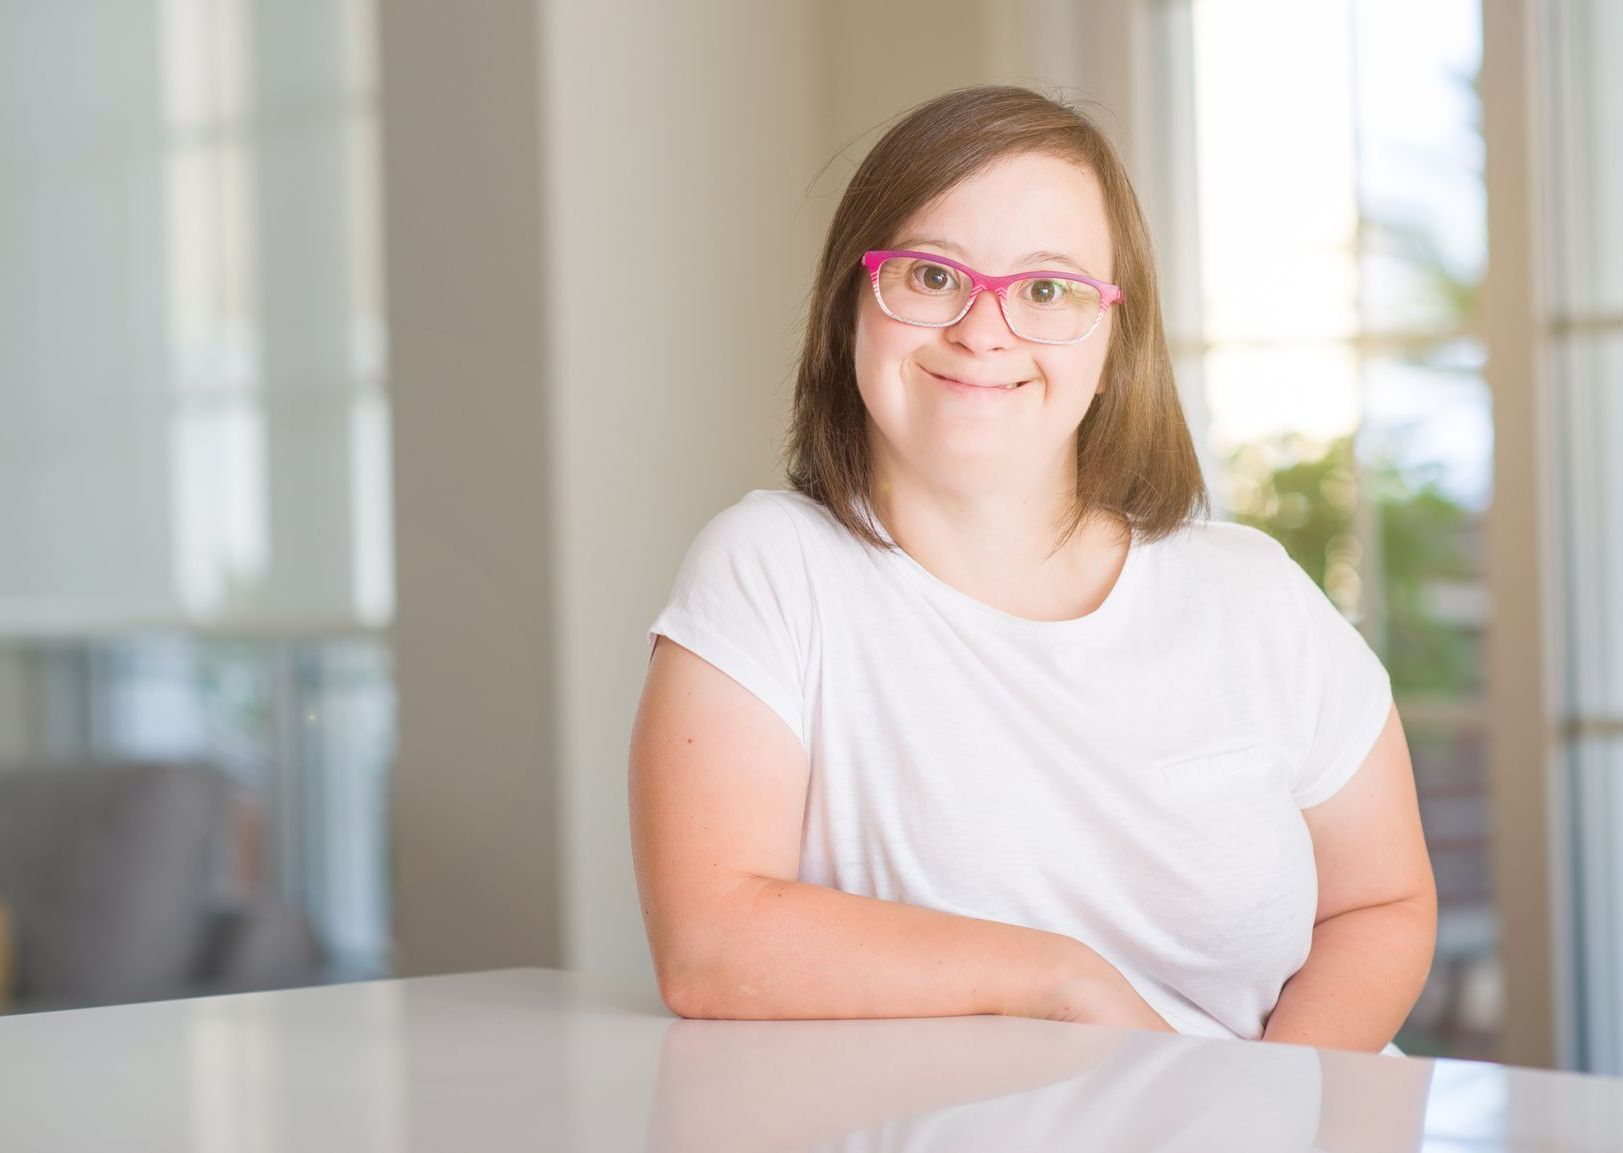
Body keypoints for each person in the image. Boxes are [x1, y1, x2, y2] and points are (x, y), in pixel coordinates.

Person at [629, 84, 1436, 1055]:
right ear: (857, 300)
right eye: (931, 276)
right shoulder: (769, 573)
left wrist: (1264, 1110)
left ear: (1111, 343)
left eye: (1047, 290)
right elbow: (712, 944)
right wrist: (1061, 983)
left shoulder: (1255, 593)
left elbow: (1380, 904)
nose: (983, 329)